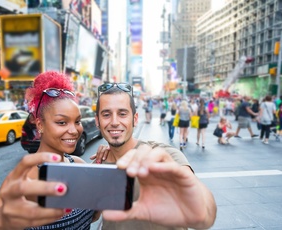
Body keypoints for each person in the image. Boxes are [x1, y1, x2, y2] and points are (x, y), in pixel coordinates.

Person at [0, 71, 100, 229]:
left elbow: (91, 218)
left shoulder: (80, 165)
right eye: (62, 122)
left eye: (77, 121)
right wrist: (1, 221)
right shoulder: (25, 181)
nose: (74, 130)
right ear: (40, 125)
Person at [92, 83, 217, 229]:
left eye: (122, 114)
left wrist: (202, 211)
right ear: (97, 121)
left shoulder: (164, 155)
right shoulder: (98, 165)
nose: (114, 122)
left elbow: (206, 214)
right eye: (106, 115)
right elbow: (94, 215)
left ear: (135, 119)